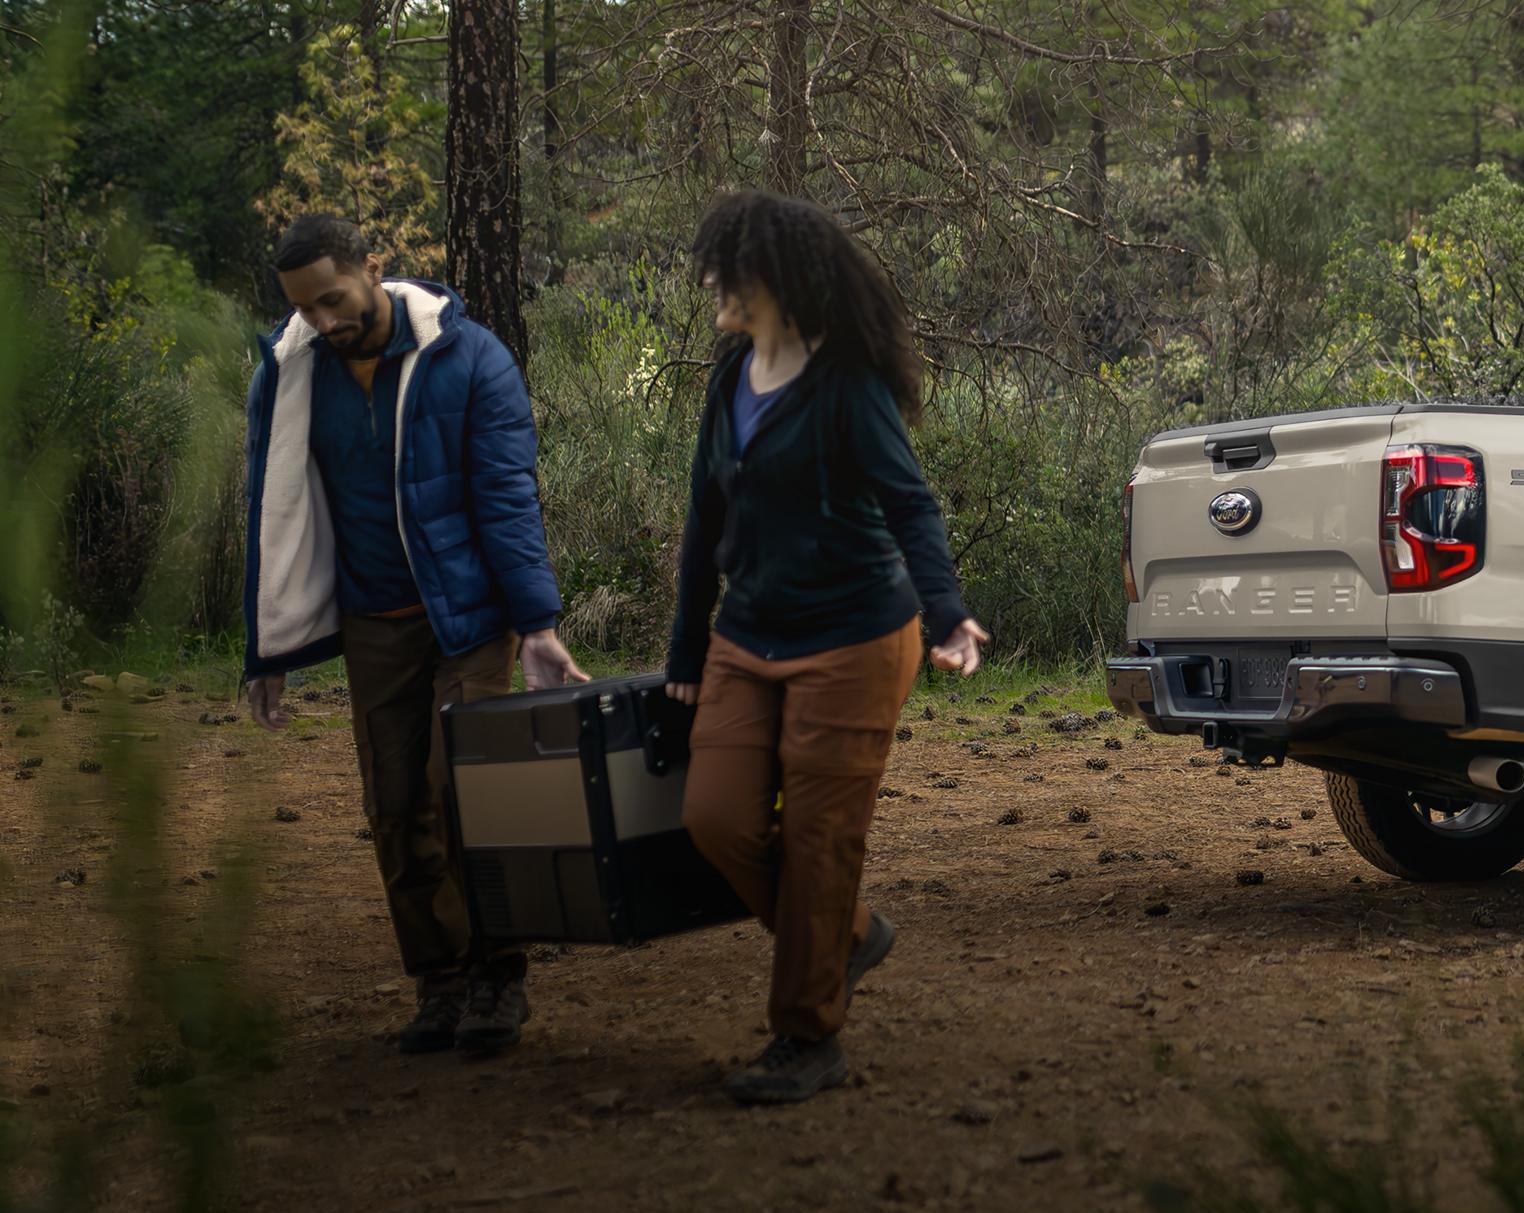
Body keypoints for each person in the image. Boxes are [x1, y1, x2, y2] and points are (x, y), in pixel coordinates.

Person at [668, 190, 988, 1105]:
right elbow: (703, 517)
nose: (711, 284)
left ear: (773, 279)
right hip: (747, 632)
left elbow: (909, 502)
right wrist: (688, 651)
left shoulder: (846, 380)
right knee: (716, 818)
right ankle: (844, 934)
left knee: (817, 839)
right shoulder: (730, 371)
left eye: (726, 271)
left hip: (853, 636)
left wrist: (948, 612)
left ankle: (807, 1036)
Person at [243, 215, 588, 1056]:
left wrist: (536, 624)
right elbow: (274, 510)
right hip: (375, 623)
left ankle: (499, 977)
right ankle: (439, 980)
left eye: (334, 299)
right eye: (305, 310)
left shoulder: (470, 360)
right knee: (394, 804)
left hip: (469, 619)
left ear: (373, 267)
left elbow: (508, 501)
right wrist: (269, 645)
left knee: (467, 790)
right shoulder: (293, 375)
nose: (324, 322)